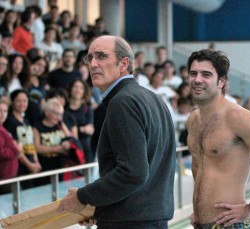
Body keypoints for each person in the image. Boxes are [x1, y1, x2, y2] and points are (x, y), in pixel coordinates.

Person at [58, 35, 176, 229]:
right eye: (89, 58)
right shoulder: (154, 99)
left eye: (101, 56)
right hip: (150, 219)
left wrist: (82, 196)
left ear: (124, 63)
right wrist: (101, 208)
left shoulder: (123, 102)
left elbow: (133, 173)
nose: (93, 64)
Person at [186, 49, 250, 228]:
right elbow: (198, 165)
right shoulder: (193, 119)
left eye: (206, 74)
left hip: (230, 225)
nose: (197, 79)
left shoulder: (238, 117)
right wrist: (199, 209)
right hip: (200, 224)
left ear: (222, 82)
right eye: (193, 73)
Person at [0, 99, 21, 194]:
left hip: (8, 176)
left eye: (5, 111)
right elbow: (1, 152)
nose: (2, 114)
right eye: (0, 111)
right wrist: (16, 149)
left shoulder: (2, 128)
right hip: (4, 178)